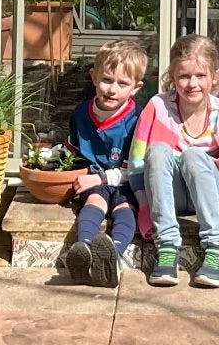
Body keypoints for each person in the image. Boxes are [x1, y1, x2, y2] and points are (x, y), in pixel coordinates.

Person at [128, 34, 219, 288]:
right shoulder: (157, 106)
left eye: (200, 76)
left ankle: (217, 247)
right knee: (157, 151)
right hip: (172, 195)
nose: (192, 84)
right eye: (184, 76)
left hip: (208, 189)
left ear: (214, 77)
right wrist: (145, 209)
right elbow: (137, 167)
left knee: (193, 155)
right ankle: (167, 245)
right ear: (172, 77)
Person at [63, 38, 147, 288]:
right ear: (93, 77)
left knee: (124, 209)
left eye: (123, 84)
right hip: (94, 179)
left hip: (126, 181)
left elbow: (134, 167)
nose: (112, 89)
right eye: (107, 80)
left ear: (135, 87)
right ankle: (84, 249)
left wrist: (99, 178)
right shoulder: (81, 113)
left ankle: (113, 255)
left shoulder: (137, 119)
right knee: (94, 201)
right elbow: (72, 153)